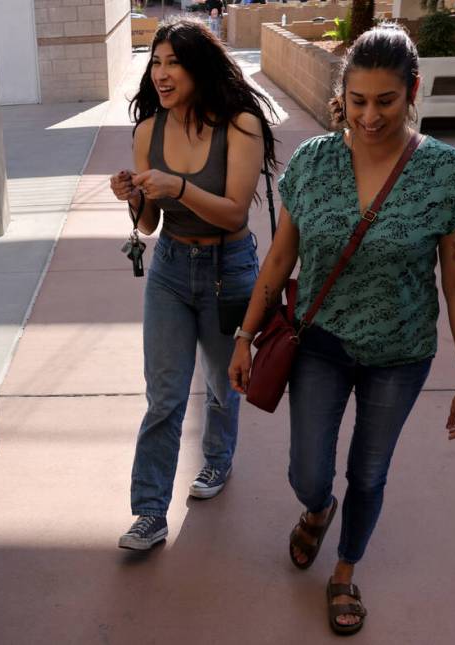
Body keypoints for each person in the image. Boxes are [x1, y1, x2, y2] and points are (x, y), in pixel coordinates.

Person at [228, 25, 455, 635]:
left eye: (386, 101)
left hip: (401, 352)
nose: (371, 116)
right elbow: (281, 257)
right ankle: (317, 509)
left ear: (412, 90)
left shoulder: (445, 173)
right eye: (359, 100)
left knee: (369, 470)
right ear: (345, 93)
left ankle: (344, 569)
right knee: (307, 470)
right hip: (321, 343)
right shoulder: (314, 164)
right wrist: (244, 335)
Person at [109, 16, 277, 551]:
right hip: (170, 273)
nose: (161, 73)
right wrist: (134, 195)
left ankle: (218, 460)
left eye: (173, 62)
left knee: (224, 387)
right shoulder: (147, 132)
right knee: (164, 396)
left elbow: (232, 215)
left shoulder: (241, 124)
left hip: (231, 270)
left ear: (198, 66)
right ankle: (149, 511)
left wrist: (177, 185)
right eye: (155, 62)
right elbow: (147, 226)